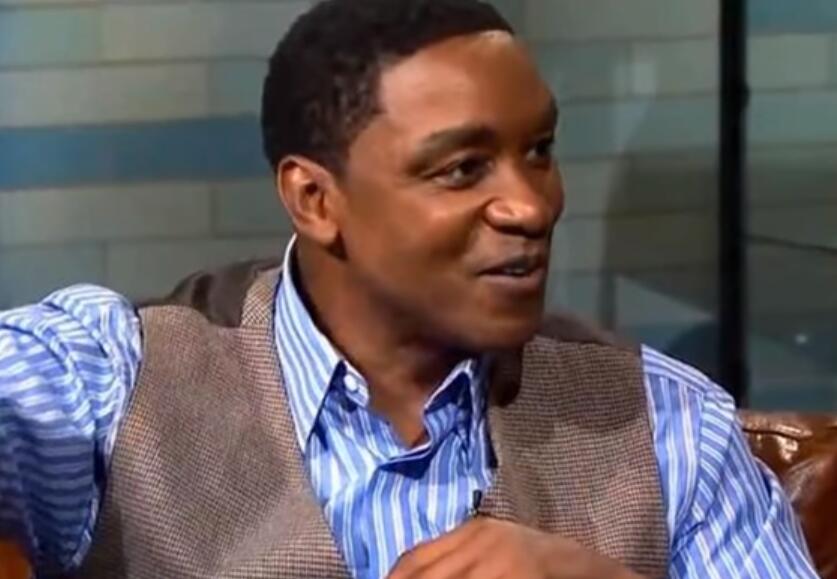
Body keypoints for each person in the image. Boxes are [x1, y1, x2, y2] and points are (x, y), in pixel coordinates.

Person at [0, 0, 819, 577]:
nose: (532, 206)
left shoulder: (671, 423)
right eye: (462, 168)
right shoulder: (110, 380)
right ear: (315, 200)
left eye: (538, 150)